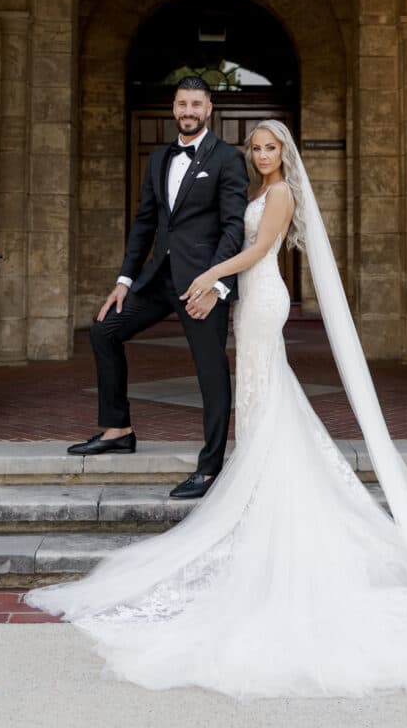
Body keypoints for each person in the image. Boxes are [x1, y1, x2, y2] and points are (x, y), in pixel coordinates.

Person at [28, 121, 407, 699]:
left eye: (269, 148)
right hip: (250, 299)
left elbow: (259, 250)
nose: (261, 156)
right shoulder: (258, 191)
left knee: (265, 391)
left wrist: (209, 274)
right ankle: (263, 489)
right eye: (255, 149)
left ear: (285, 153)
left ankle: (267, 498)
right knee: (265, 397)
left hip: (263, 302)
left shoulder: (280, 195)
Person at [67, 76, 248, 500]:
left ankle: (209, 467)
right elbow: (145, 221)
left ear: (209, 109)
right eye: (182, 103)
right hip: (157, 278)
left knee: (211, 371)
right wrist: (124, 280)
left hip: (201, 284)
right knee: (105, 329)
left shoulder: (228, 159)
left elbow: (233, 226)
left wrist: (216, 284)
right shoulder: (158, 159)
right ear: (174, 108)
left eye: (196, 104)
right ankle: (118, 429)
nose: (189, 111)